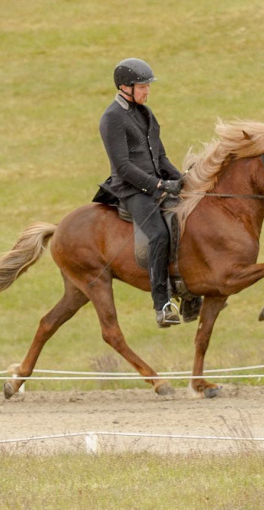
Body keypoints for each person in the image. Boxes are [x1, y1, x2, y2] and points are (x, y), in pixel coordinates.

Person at [96, 58, 183, 327]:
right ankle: (163, 304)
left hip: (155, 184)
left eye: (147, 86)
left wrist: (183, 180)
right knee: (157, 234)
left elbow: (161, 157)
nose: (147, 91)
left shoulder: (146, 113)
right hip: (132, 190)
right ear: (125, 87)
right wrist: (158, 185)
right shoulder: (112, 118)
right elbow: (123, 167)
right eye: (142, 86)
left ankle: (189, 293)